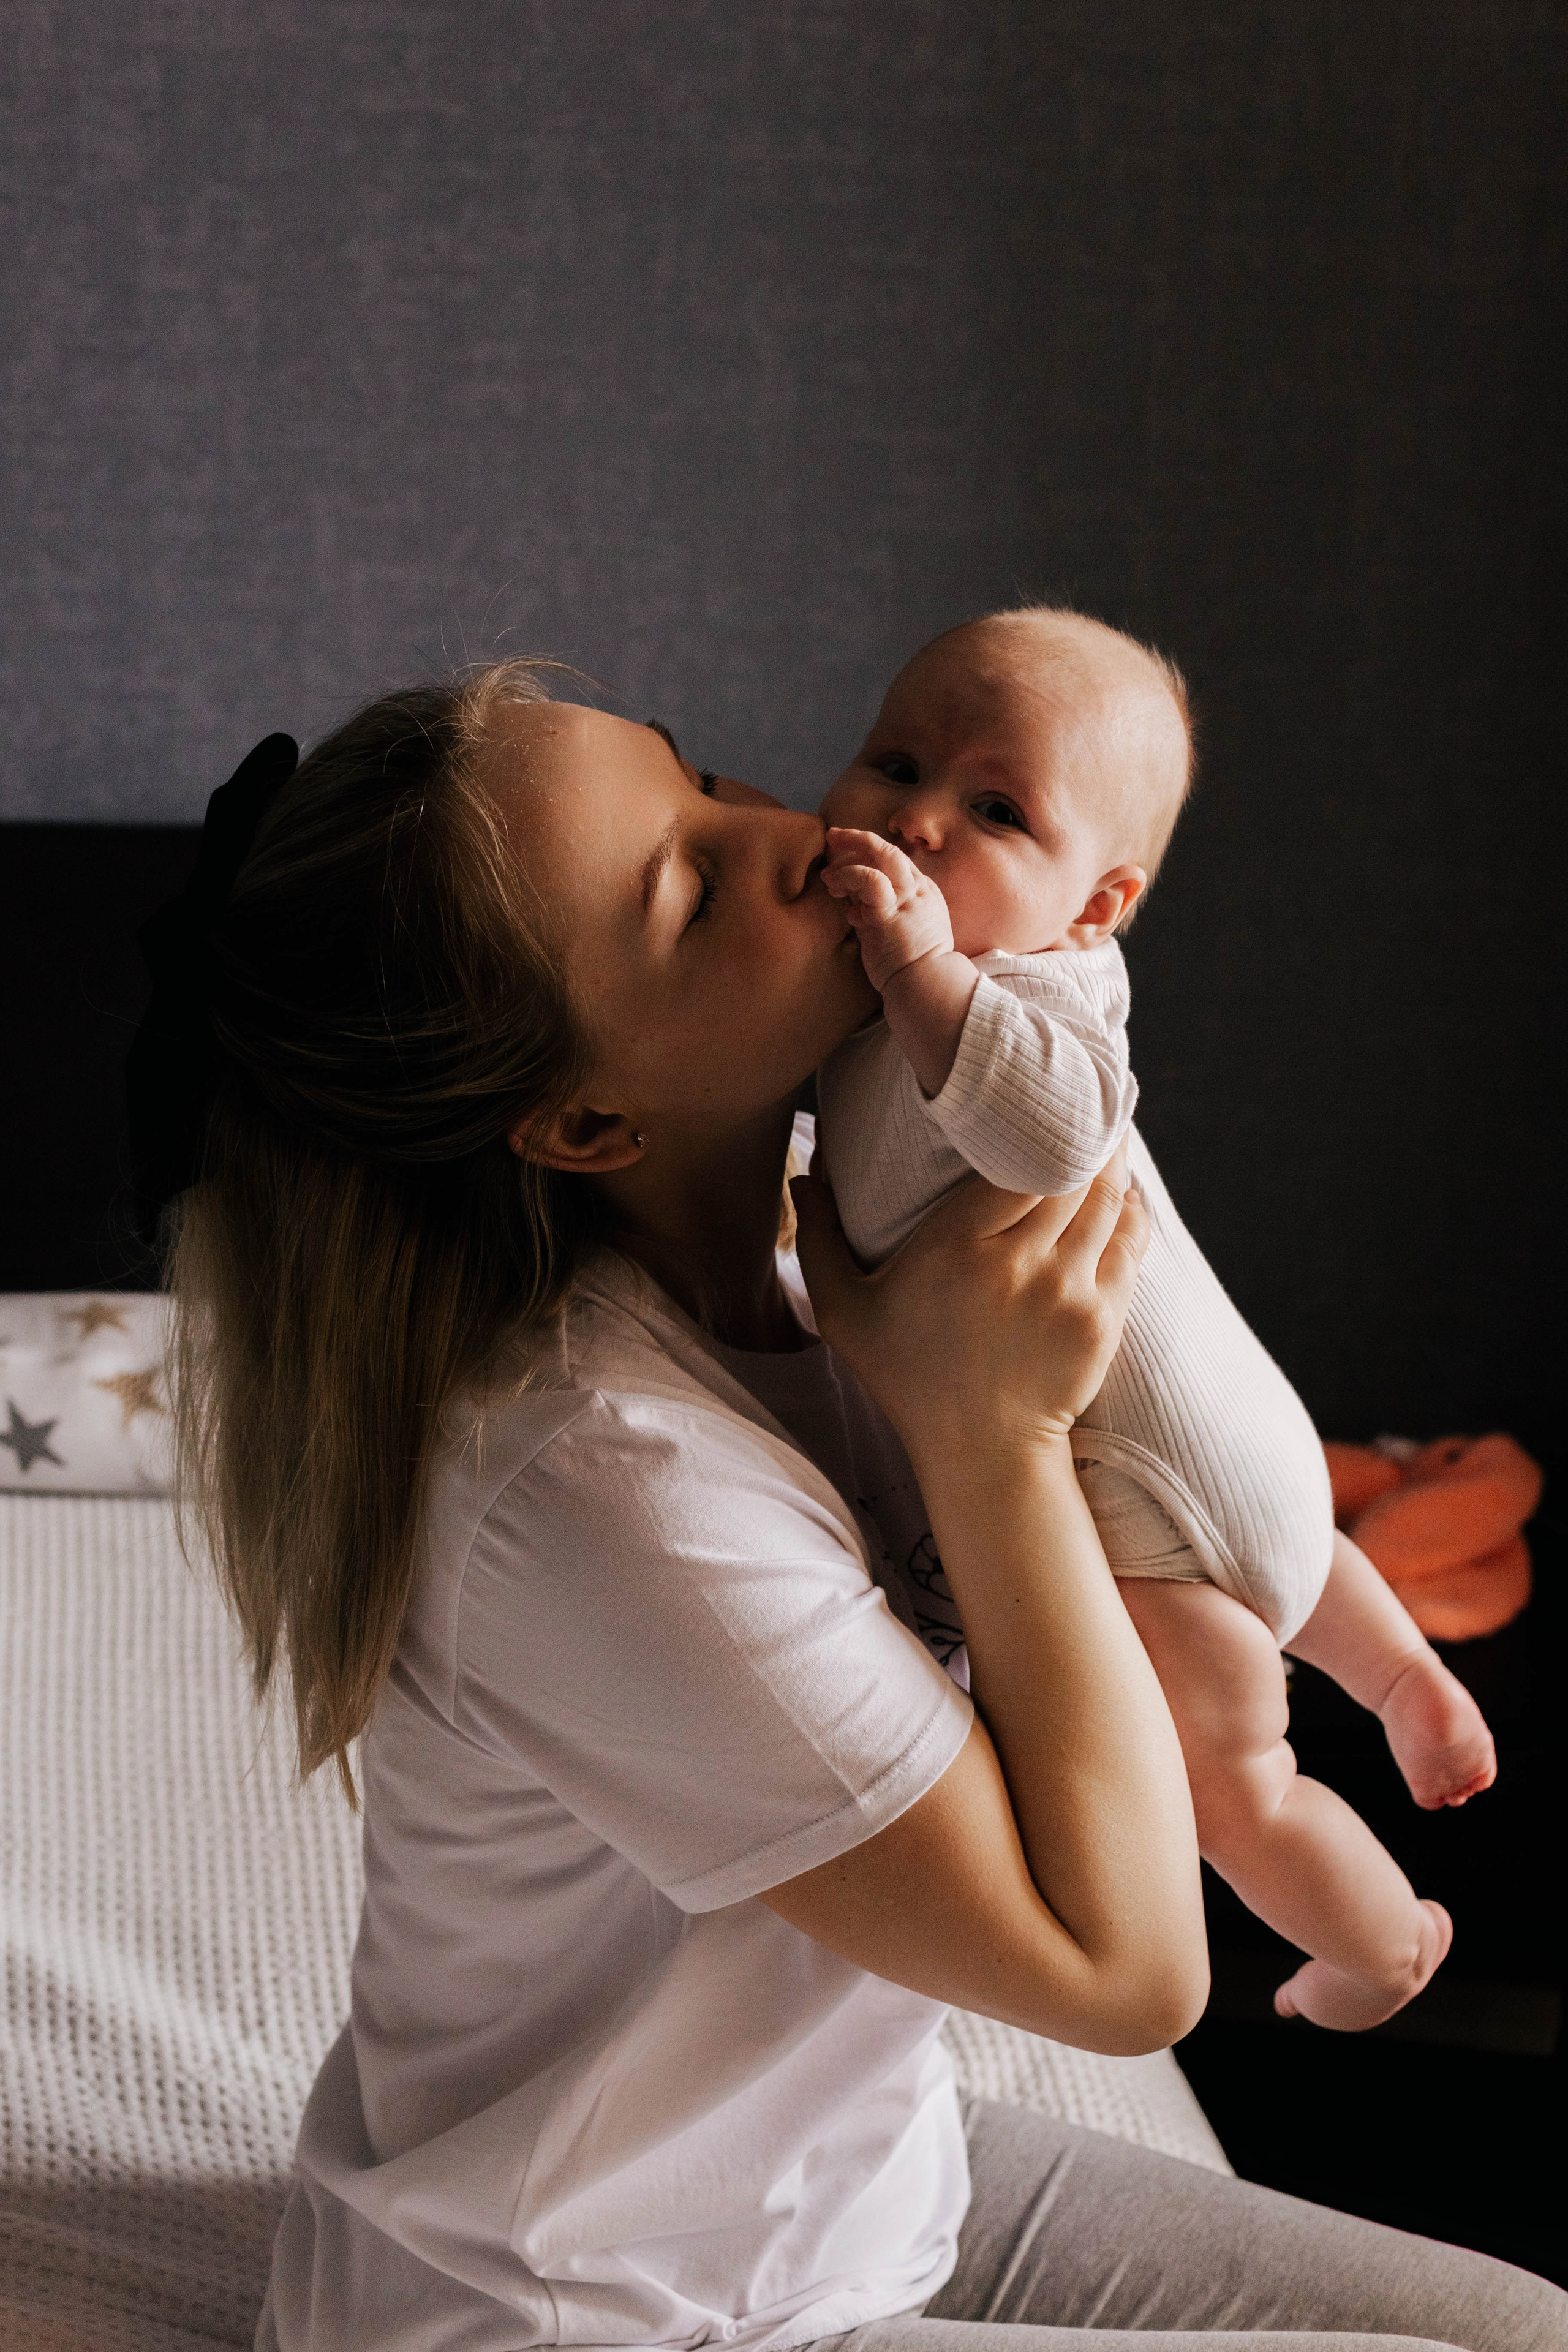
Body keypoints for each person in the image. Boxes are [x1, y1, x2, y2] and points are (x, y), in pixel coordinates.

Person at [134, 664, 1564, 2350]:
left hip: (855, 2187)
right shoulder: (604, 1478)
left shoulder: (839, 1253)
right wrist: (994, 1438)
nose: (793, 837)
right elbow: (1127, 1976)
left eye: (701, 775)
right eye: (684, 886)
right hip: (601, 2311)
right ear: (587, 1119)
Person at [815, 608, 1496, 2032]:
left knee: (1226, 1792)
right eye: (893, 763)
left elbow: (1054, 1135)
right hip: (1233, 1454)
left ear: (1095, 907)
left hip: (1160, 1511)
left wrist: (918, 972)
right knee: (1294, 1562)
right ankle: (1405, 1679)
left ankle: (1381, 1952)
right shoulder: (901, 989)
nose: (921, 822)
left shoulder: (1033, 994)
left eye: (993, 807)